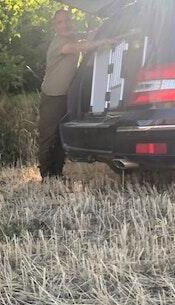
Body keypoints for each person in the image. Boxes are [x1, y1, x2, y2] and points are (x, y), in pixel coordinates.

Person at [38, 9, 117, 179]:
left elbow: (86, 37)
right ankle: (45, 175)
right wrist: (104, 41)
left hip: (66, 96)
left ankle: (56, 173)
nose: (65, 24)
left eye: (68, 20)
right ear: (54, 26)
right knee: (47, 136)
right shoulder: (59, 43)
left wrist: (98, 32)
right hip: (52, 96)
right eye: (60, 22)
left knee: (60, 135)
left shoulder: (70, 36)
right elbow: (81, 46)